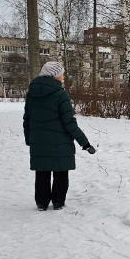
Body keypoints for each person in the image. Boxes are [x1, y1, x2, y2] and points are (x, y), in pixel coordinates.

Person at [23, 61, 96, 211]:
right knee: (61, 172)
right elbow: (69, 123)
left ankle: (42, 203)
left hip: (39, 142)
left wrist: (29, 139)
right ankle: (58, 202)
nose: (63, 77)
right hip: (59, 142)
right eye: (62, 74)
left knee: (42, 173)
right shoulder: (60, 94)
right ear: (56, 76)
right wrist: (85, 143)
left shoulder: (32, 93)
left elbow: (27, 118)